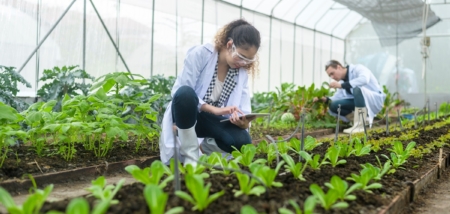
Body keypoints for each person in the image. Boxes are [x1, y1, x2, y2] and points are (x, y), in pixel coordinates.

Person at [159, 19, 261, 166]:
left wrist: (243, 123)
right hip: (187, 114)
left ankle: (204, 148)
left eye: (248, 60)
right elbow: (179, 92)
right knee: (185, 94)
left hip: (210, 121)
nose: (243, 63)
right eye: (241, 57)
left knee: (242, 141)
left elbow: (243, 108)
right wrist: (215, 109)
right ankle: (191, 155)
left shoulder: (240, 72)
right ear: (230, 44)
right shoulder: (201, 54)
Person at [313, 60, 386, 134]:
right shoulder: (342, 81)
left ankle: (359, 126)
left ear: (339, 67)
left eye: (332, 73)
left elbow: (364, 79)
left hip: (373, 100)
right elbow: (337, 97)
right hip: (361, 103)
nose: (332, 77)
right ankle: (360, 122)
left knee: (357, 88)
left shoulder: (358, 68)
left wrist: (342, 86)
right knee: (334, 105)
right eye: (330, 76)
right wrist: (324, 99)